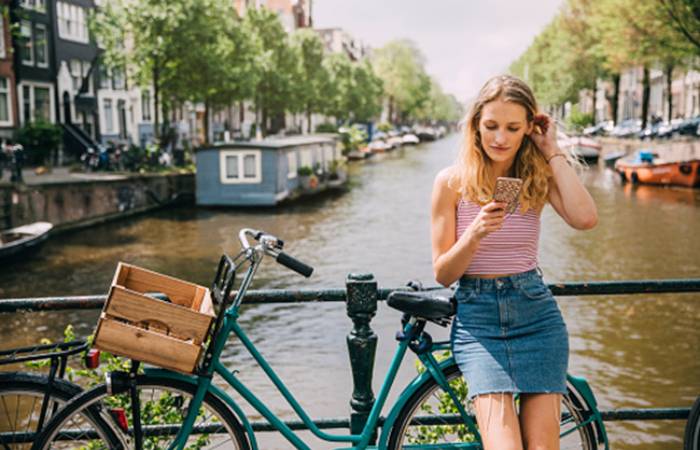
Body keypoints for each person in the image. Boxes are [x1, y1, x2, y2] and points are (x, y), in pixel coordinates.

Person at [430, 75, 597, 450]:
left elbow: (586, 219)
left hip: (536, 317)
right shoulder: (451, 183)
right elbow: (443, 274)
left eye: (512, 128)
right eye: (491, 126)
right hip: (479, 324)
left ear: (528, 129)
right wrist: (473, 235)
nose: (500, 138)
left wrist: (551, 150)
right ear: (475, 125)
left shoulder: (535, 177)